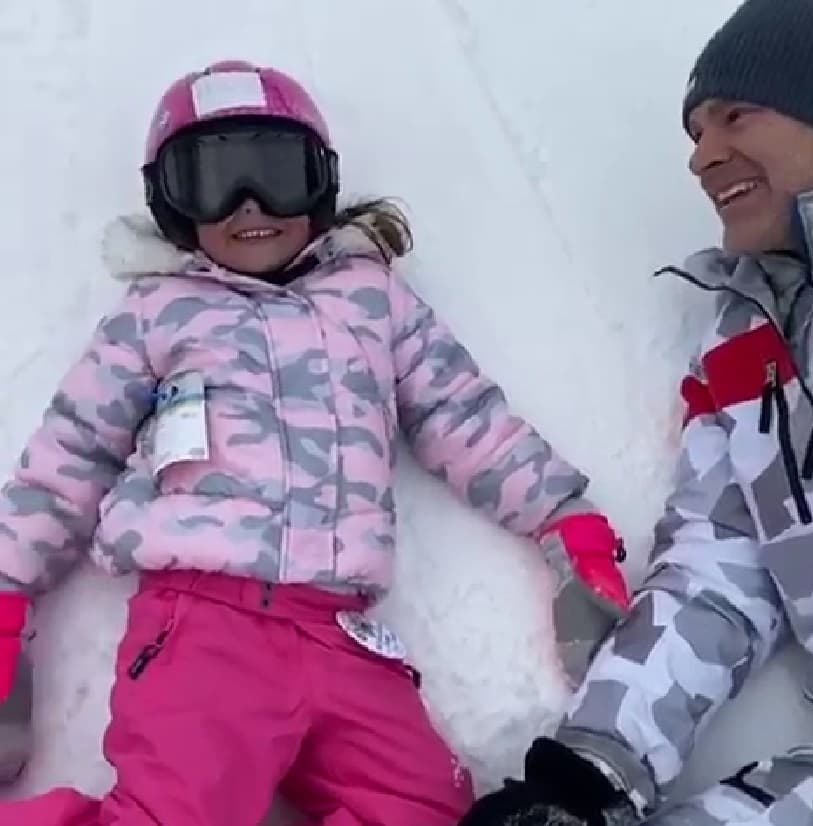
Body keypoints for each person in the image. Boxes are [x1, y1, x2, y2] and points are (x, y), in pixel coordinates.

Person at [0, 60, 629, 826]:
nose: (249, 206)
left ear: (319, 184)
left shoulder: (371, 301)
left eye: (275, 174)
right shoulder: (158, 312)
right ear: (172, 204)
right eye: (213, 182)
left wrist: (564, 520)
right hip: (205, 623)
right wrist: (8, 589)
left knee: (423, 808)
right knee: (178, 812)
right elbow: (71, 455)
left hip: (343, 635)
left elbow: (463, 414)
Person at [458, 1, 813, 824]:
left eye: (737, 114)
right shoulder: (746, 343)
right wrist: (587, 772)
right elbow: (724, 565)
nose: (702, 155)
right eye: (695, 130)